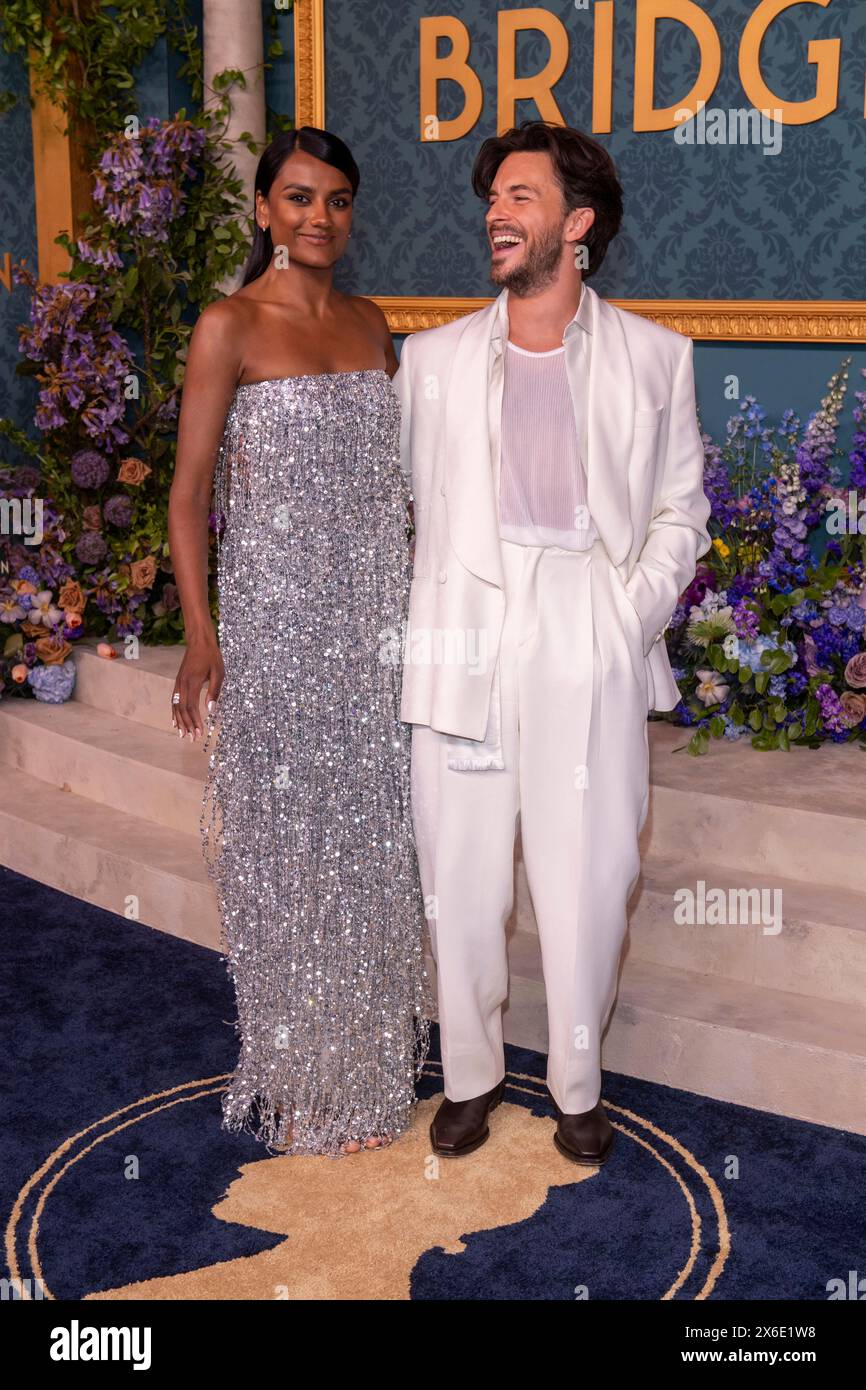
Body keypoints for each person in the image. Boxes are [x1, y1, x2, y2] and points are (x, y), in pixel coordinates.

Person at [395, 120, 712, 1166]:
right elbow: (406, 503)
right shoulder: (430, 359)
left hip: (586, 613)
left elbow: (679, 513)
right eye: (492, 196)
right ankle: (472, 1076)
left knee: (588, 870)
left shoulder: (655, 357)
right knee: (463, 865)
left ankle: (578, 1083)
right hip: (464, 627)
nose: (496, 211)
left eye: (520, 195)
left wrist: (623, 619)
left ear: (575, 223)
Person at [168, 127, 432, 1158]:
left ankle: (367, 1066)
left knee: (370, 852)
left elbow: (398, 492)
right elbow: (188, 498)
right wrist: (202, 636)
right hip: (274, 628)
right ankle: (292, 1070)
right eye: (297, 198)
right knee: (283, 853)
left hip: (374, 630)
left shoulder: (374, 327)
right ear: (264, 212)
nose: (317, 217)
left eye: (335, 200)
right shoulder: (227, 326)